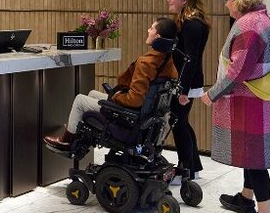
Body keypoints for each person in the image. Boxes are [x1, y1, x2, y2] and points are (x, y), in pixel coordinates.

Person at [199, 0, 270, 213]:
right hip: (260, 101)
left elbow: (238, 71)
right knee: (251, 154)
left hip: (252, 103)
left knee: (256, 159)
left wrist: (212, 94)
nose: (226, 5)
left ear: (237, 0)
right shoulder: (262, 19)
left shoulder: (249, 25)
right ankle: (246, 198)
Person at [44, 17, 178, 151]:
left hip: (131, 117)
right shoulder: (168, 62)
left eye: (151, 28)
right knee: (92, 93)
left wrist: (116, 96)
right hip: (145, 115)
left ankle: (67, 140)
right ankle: (77, 135)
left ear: (158, 37)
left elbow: (135, 100)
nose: (148, 30)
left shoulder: (146, 63)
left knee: (80, 100)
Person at [167, 0, 210, 181]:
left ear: (185, 0)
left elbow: (190, 58)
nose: (169, 0)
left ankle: (186, 170)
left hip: (188, 83)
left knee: (178, 123)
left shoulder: (193, 24)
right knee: (181, 122)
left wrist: (182, 89)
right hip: (187, 82)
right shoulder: (190, 22)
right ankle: (193, 167)